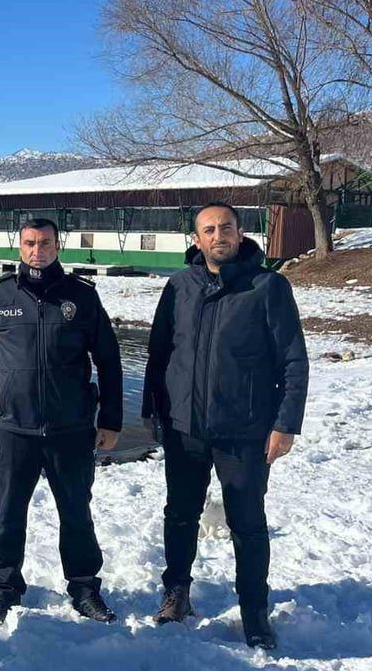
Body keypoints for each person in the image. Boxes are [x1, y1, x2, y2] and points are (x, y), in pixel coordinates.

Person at [142, 201, 308, 649]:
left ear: (240, 233)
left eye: (227, 228)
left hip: (246, 431)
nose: (220, 236)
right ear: (197, 239)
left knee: (248, 523)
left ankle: (255, 611)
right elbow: (158, 356)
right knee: (180, 515)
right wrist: (151, 412)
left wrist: (285, 423)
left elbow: (293, 359)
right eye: (209, 229)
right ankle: (176, 592)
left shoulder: (268, 287)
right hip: (185, 429)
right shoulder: (178, 287)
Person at [0, 217, 124, 627]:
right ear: (20, 247)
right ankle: (5, 588)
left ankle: (85, 588)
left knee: (76, 512)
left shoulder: (81, 297)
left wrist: (112, 420)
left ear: (58, 246)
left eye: (46, 243)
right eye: (30, 243)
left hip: (71, 428)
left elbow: (109, 359)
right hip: (14, 428)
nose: (38, 251)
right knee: (9, 513)